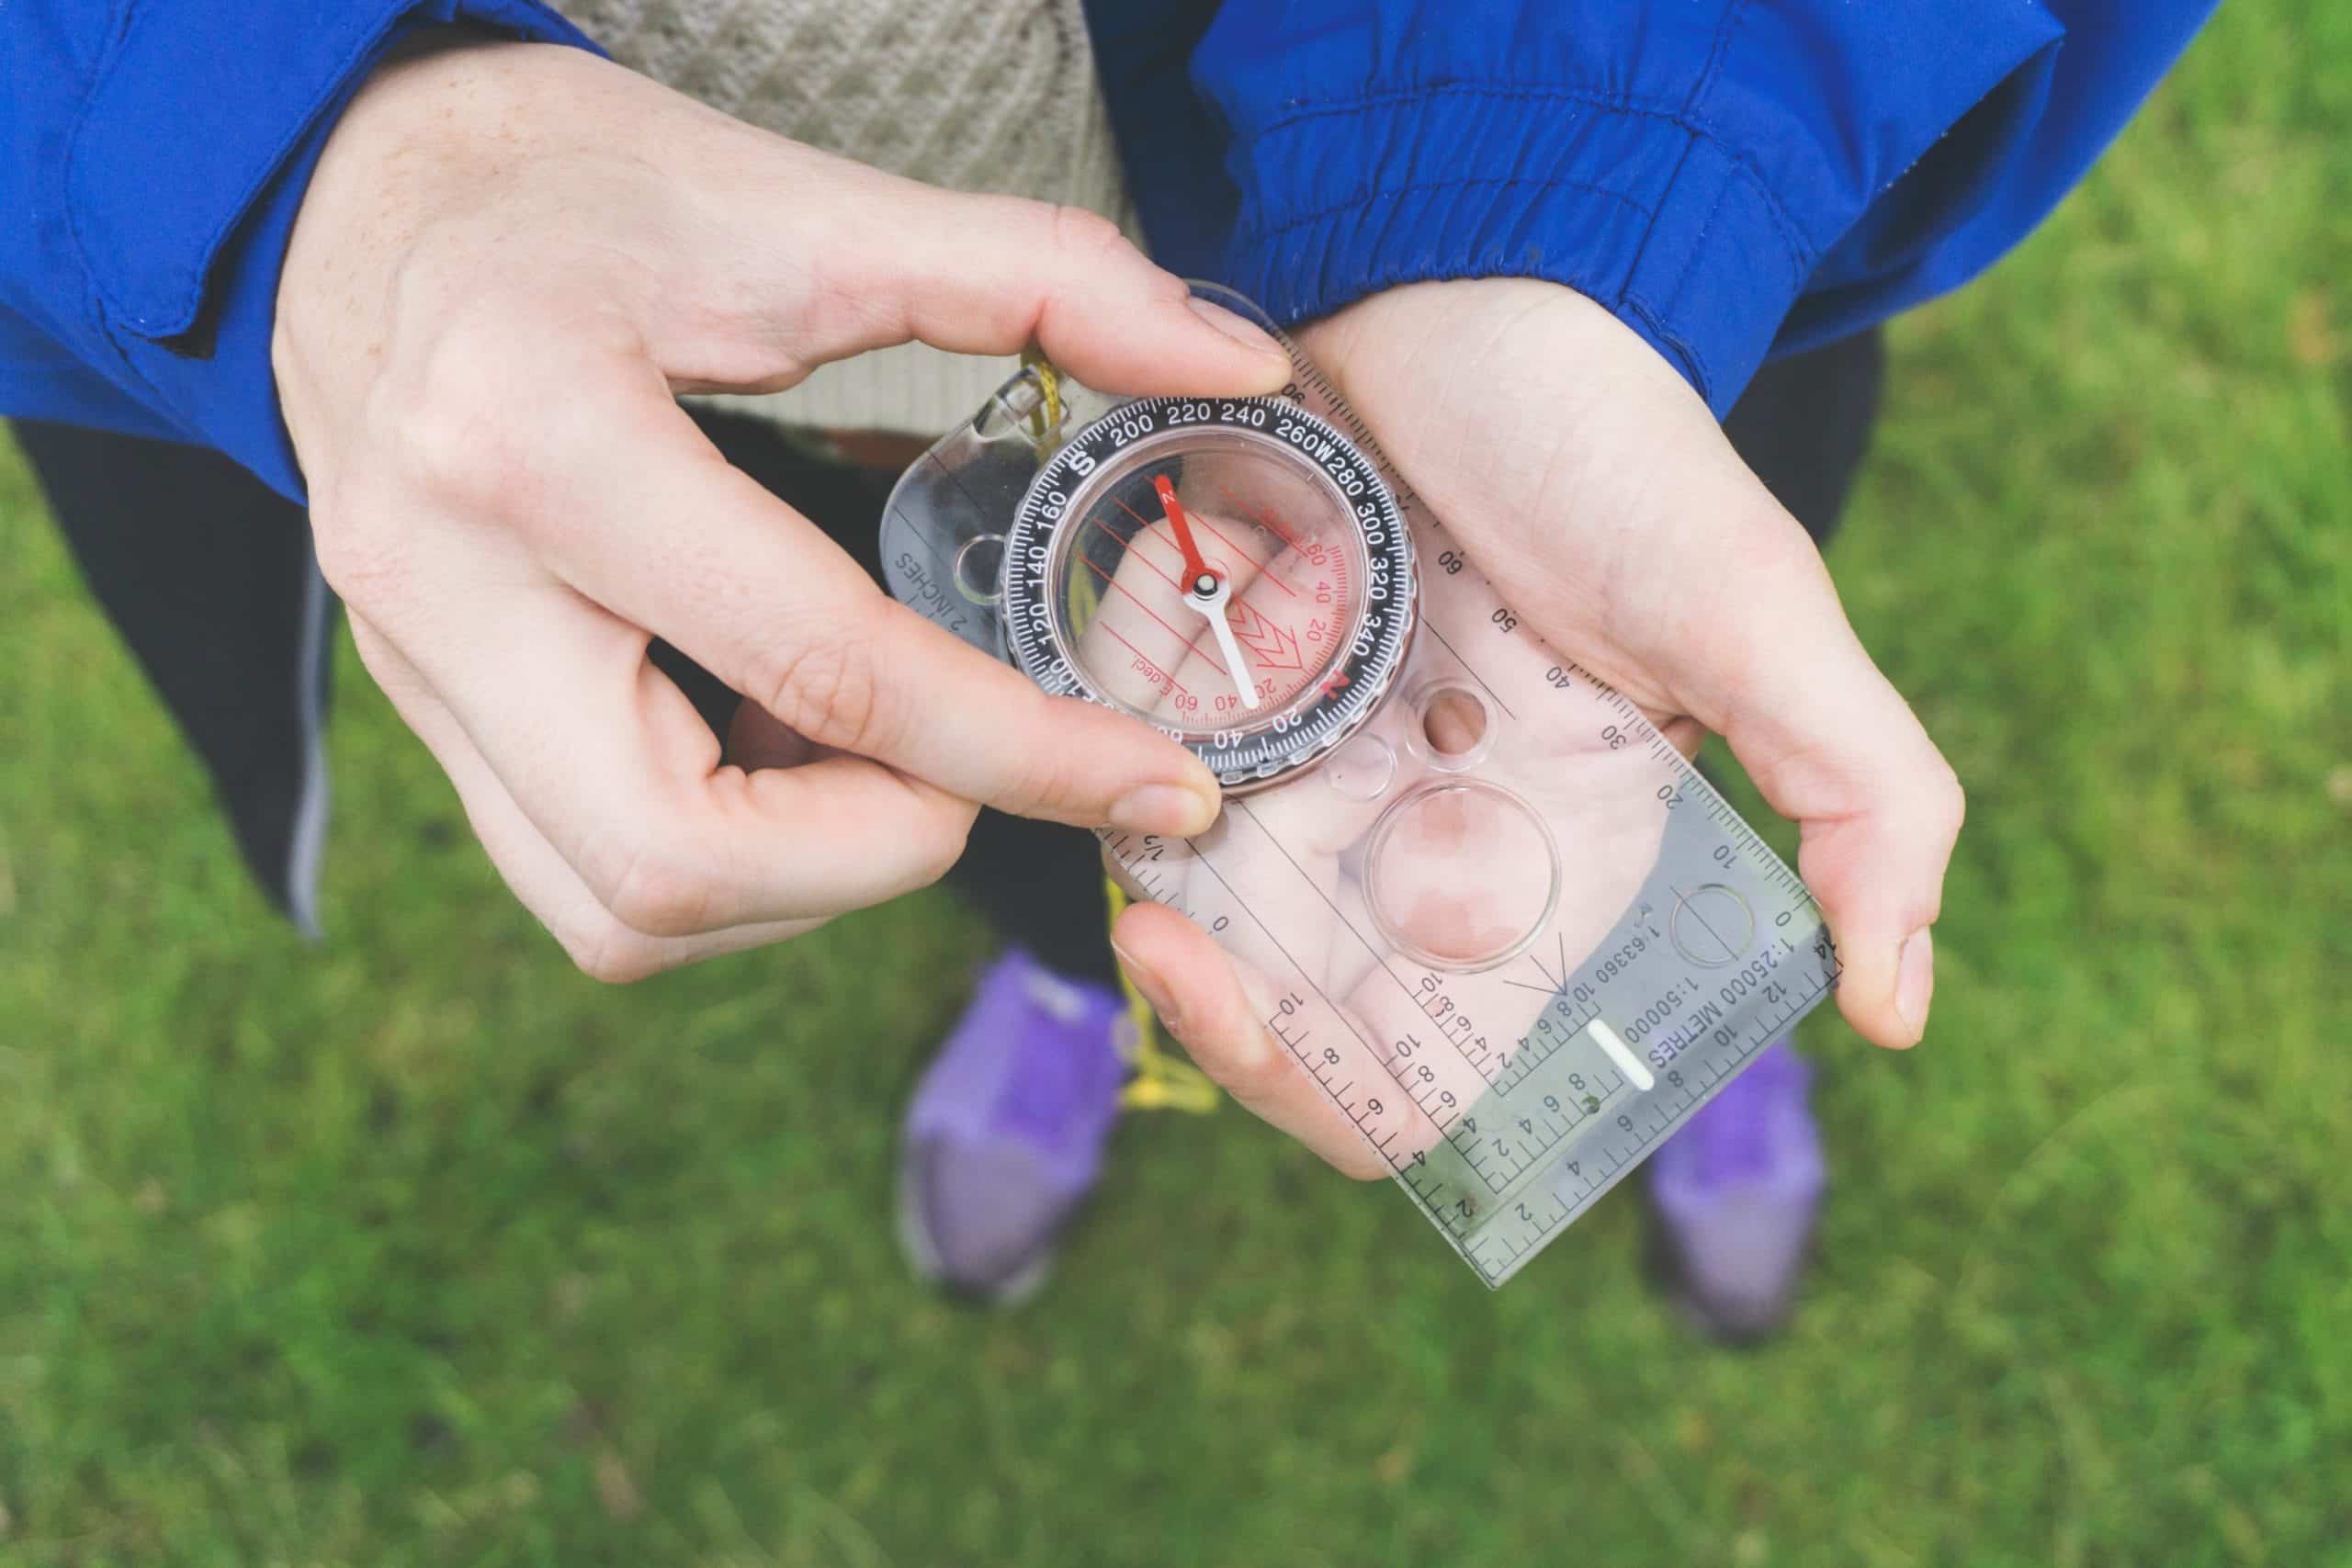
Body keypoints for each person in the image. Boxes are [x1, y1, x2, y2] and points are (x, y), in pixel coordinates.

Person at [4, 2, 2213, 1331]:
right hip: (669, 363)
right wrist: (309, 162)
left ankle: (1688, 1040)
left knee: (1602, 684)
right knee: (1013, 767)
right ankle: (1079, 980)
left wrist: (1566, 159)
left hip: (1572, 248)